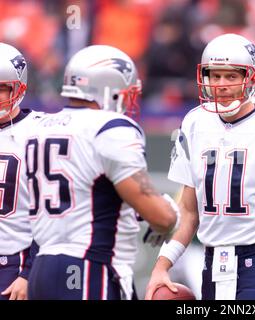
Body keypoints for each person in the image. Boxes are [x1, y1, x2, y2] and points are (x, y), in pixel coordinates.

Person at [146, 33, 255, 300]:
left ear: (251, 78)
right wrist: (161, 266)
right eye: (214, 76)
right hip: (211, 257)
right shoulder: (194, 123)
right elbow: (188, 212)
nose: (221, 84)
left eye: (231, 76)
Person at [25, 45, 179, 300]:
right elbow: (161, 217)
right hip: (88, 268)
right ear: (109, 89)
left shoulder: (41, 127)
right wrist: (170, 214)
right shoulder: (110, 128)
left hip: (42, 270)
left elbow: (91, 194)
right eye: (125, 92)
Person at [0, 43, 40, 300]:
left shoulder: (40, 133)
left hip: (14, 262)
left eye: (1, 89)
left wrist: (29, 273)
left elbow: (53, 215)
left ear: (19, 87)